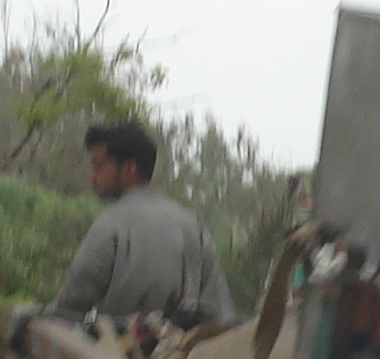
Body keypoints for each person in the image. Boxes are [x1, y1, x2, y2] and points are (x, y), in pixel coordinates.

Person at [47, 119, 239, 333]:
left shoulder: (111, 223)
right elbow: (221, 313)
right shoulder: (193, 224)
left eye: (98, 166)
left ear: (129, 167)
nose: (92, 177)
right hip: (184, 356)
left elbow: (71, 303)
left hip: (117, 355)